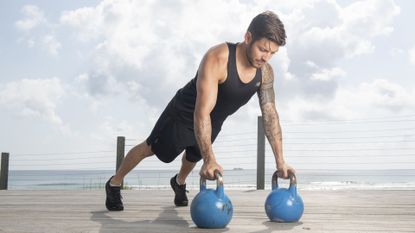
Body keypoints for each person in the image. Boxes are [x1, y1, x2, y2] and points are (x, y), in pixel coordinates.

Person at [105, 11, 295, 211]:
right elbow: (201, 112)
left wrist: (280, 161)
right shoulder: (217, 58)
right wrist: (210, 159)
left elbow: (270, 116)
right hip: (185, 113)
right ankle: (114, 183)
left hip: (214, 121)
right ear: (247, 37)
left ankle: (178, 182)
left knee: (194, 156)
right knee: (150, 148)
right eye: (263, 49)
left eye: (272, 53)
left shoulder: (265, 72)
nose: (266, 57)